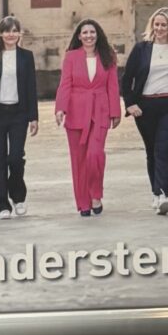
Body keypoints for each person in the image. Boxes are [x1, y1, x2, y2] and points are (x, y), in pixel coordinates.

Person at [121, 8, 168, 214]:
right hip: (145, 107)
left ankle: (163, 195)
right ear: (152, 25)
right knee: (152, 151)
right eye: (157, 24)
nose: (160, 28)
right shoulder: (141, 49)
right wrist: (130, 104)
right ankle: (155, 193)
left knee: (164, 150)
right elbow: (126, 79)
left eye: (164, 25)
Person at [52, 20, 120, 215]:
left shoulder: (108, 56)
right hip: (76, 112)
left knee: (94, 155)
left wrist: (115, 111)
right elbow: (65, 84)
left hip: (100, 111)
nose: (89, 35)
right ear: (79, 36)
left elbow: (113, 85)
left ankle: (95, 195)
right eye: (85, 32)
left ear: (97, 35)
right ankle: (83, 203)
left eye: (92, 32)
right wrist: (60, 108)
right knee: (79, 160)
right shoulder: (71, 57)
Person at [0, 17, 39, 216]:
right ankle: (3, 204)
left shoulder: (26, 56)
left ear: (19, 33)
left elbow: (31, 87)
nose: (11, 34)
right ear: (1, 34)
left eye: (14, 30)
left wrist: (34, 117)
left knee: (16, 158)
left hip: (19, 114)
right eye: (7, 31)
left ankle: (18, 197)